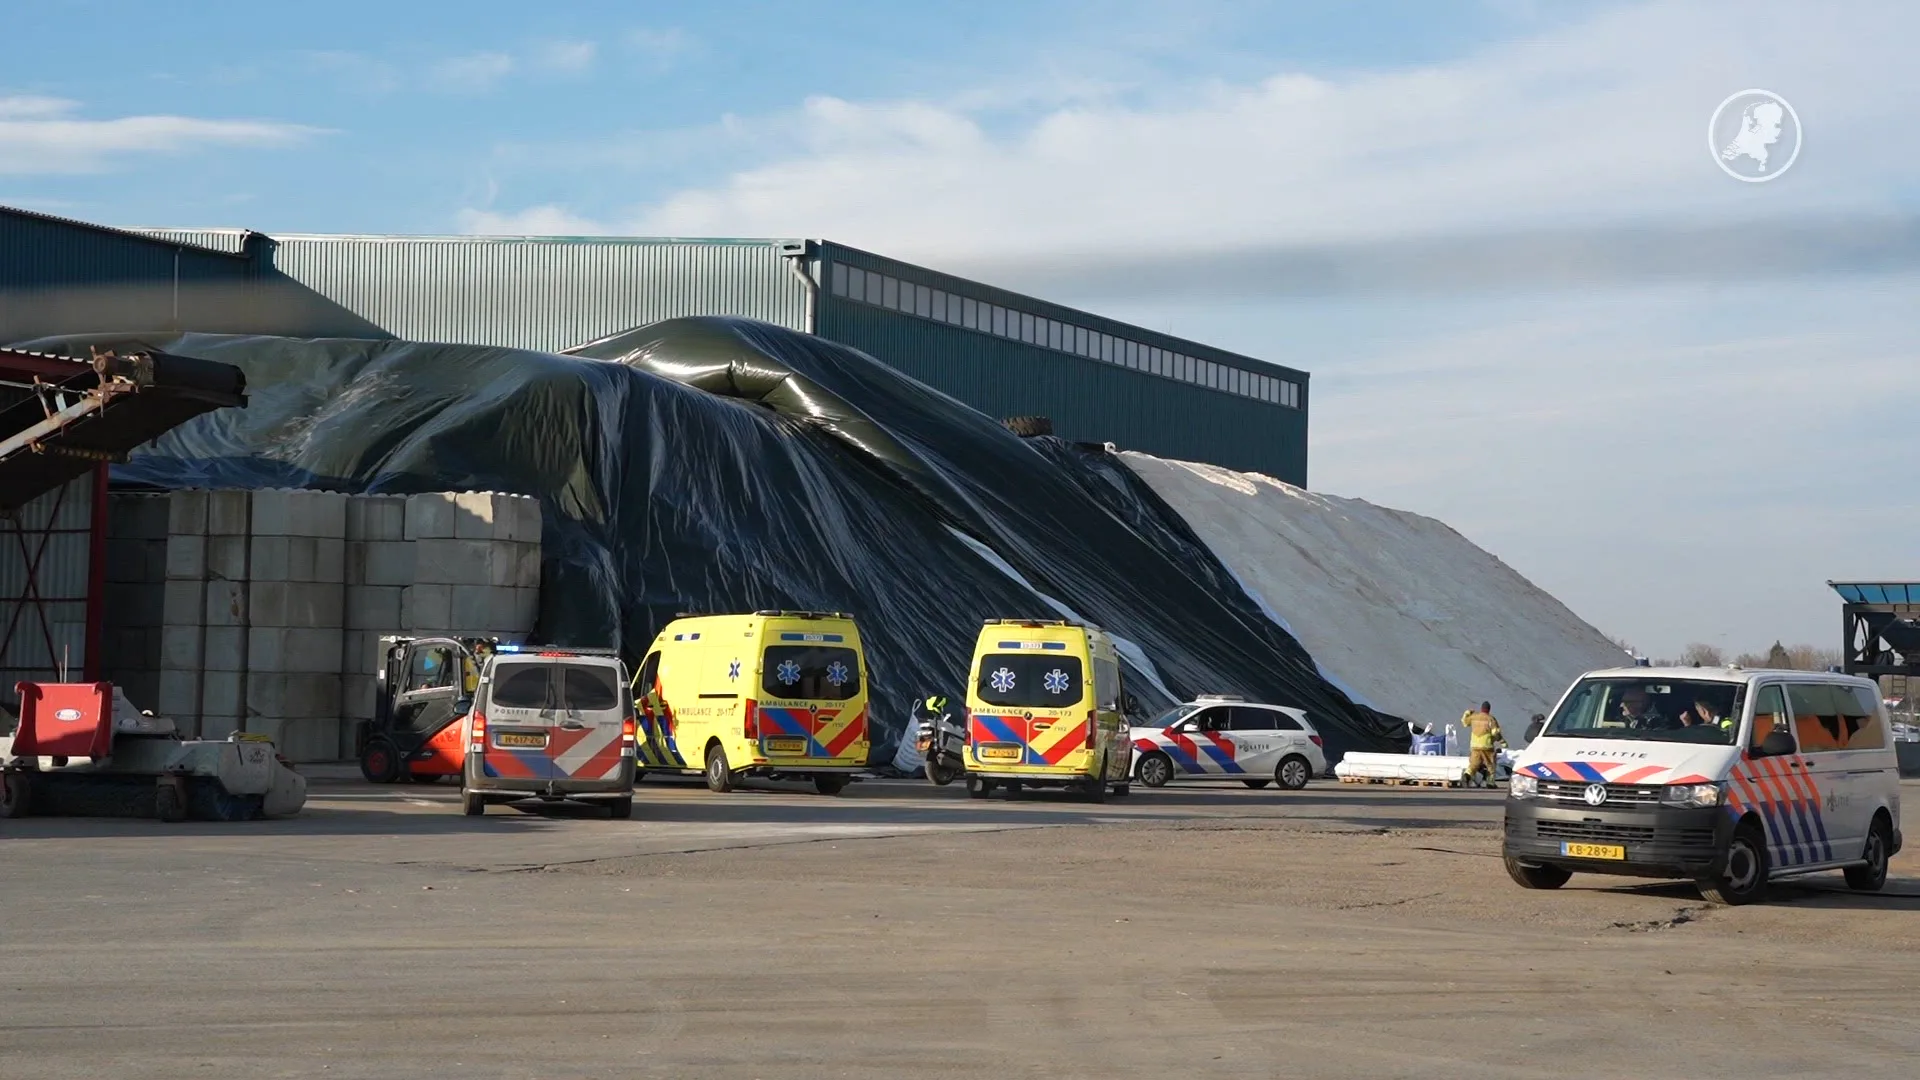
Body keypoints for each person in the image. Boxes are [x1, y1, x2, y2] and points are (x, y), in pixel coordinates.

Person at [1462, 701, 1503, 787]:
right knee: (1490, 765)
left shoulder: (1474, 717)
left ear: (1481, 709)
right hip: (1487, 746)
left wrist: (1467, 713)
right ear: (1489, 709)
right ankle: (1490, 783)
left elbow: (1464, 723)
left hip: (1475, 746)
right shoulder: (1490, 719)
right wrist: (1501, 741)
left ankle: (1467, 775)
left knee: (1473, 764)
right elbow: (1495, 732)